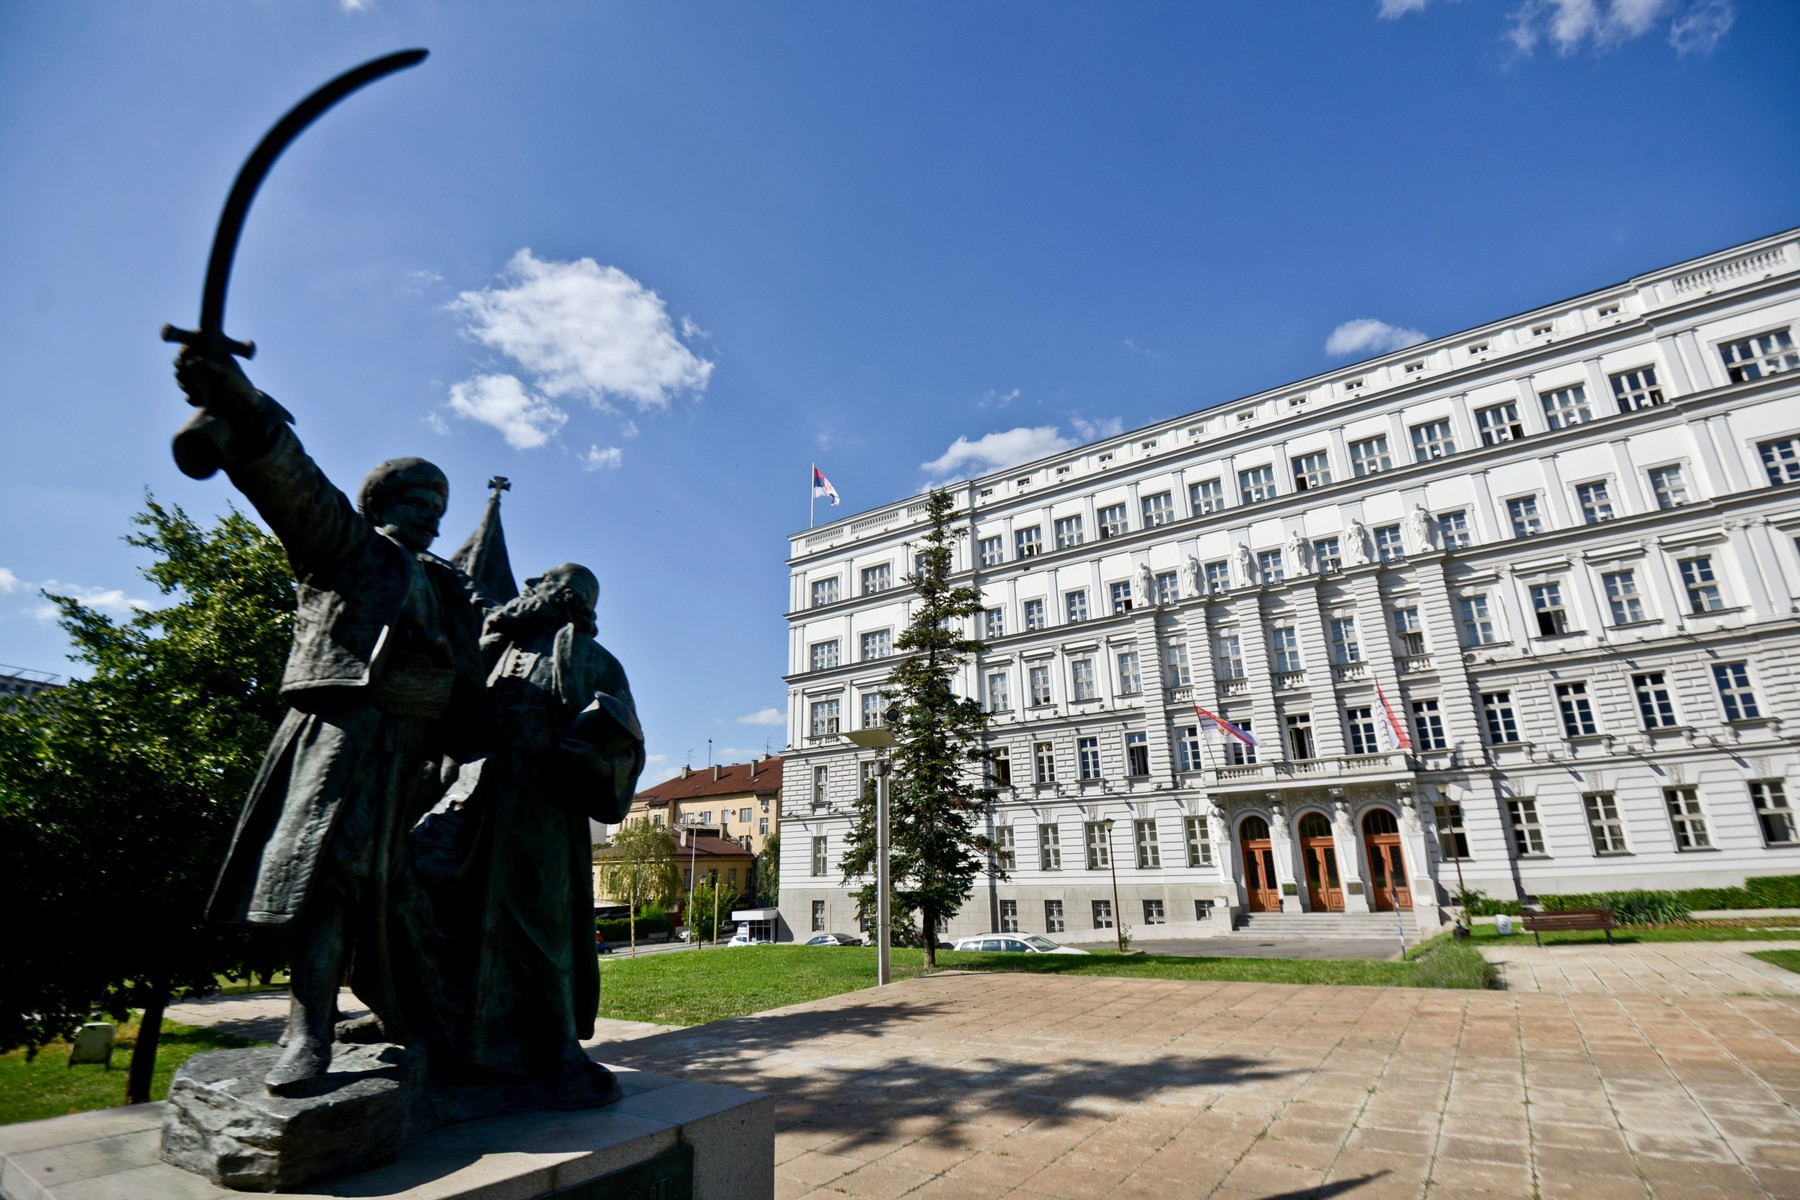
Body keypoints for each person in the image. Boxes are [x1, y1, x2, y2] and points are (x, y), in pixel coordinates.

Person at [174, 350, 485, 1092]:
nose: (432, 519)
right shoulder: (349, 550)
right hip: (346, 736)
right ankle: (306, 1031)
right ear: (379, 505)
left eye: (439, 510)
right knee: (330, 880)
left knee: (404, 891)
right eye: (418, 504)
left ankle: (415, 1023)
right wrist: (245, 406)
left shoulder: (446, 583)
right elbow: (293, 485)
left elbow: (474, 677)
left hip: (415, 754)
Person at [411, 563, 645, 1107]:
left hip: (540, 810)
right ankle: (427, 1024)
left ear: (561, 598)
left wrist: (590, 761)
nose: (524, 591)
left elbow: (627, 747)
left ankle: (558, 1051)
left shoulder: (592, 661)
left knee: (541, 933)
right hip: (471, 797)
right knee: (417, 885)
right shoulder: (495, 650)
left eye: (536, 586)